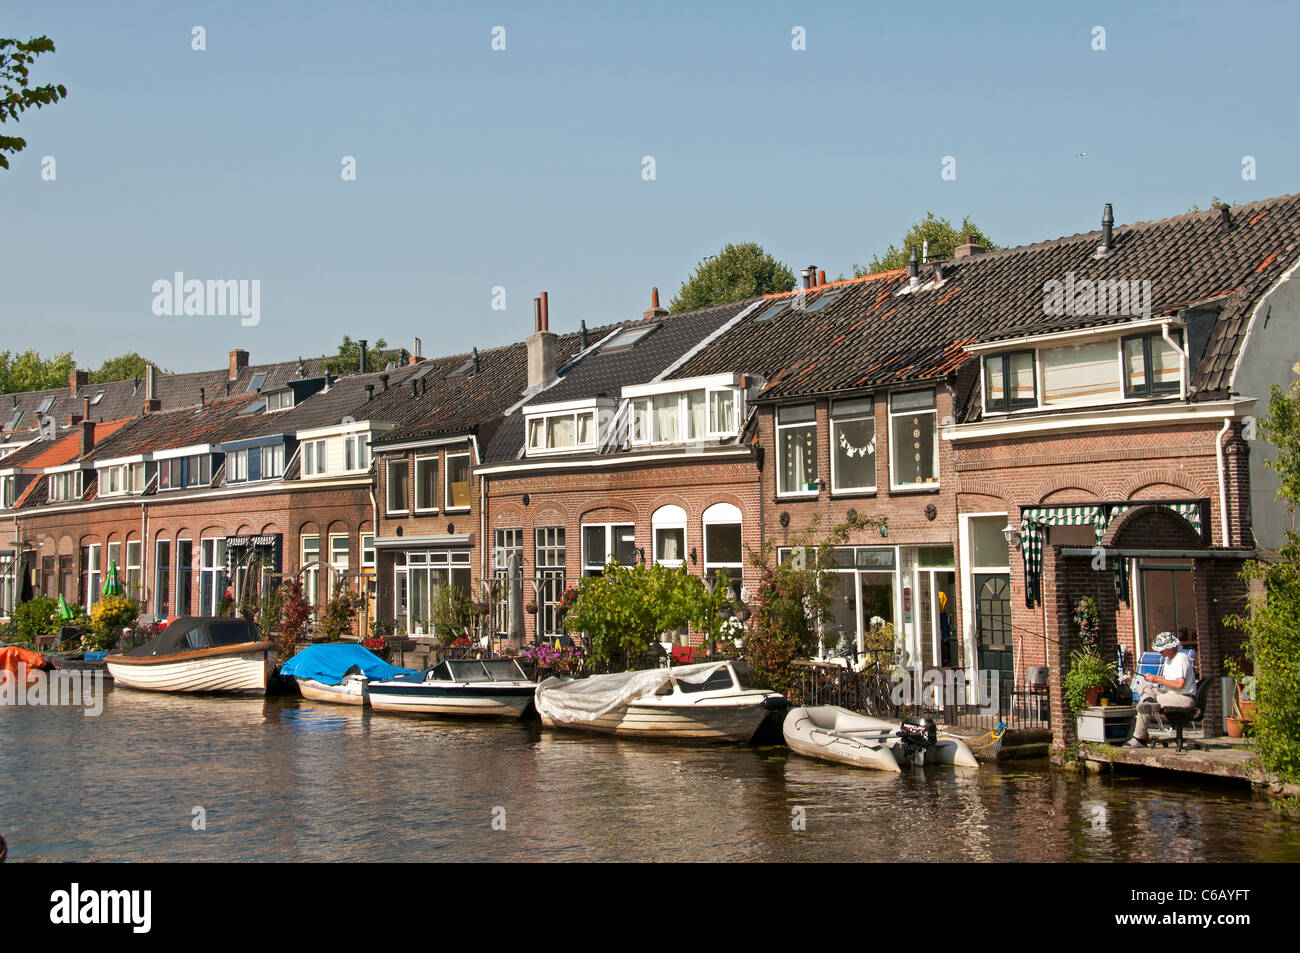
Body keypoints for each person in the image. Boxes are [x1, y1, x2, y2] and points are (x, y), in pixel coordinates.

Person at [1125, 631, 1197, 747]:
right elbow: (1166, 679)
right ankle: (1148, 700)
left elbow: (1179, 684)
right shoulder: (1168, 659)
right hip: (1170, 693)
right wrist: (1153, 678)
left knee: (1145, 705)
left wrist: (1157, 680)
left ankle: (1139, 738)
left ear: (1169, 647)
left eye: (1161, 649)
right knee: (1143, 687)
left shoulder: (1181, 659)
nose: (1159, 652)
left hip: (1183, 697)